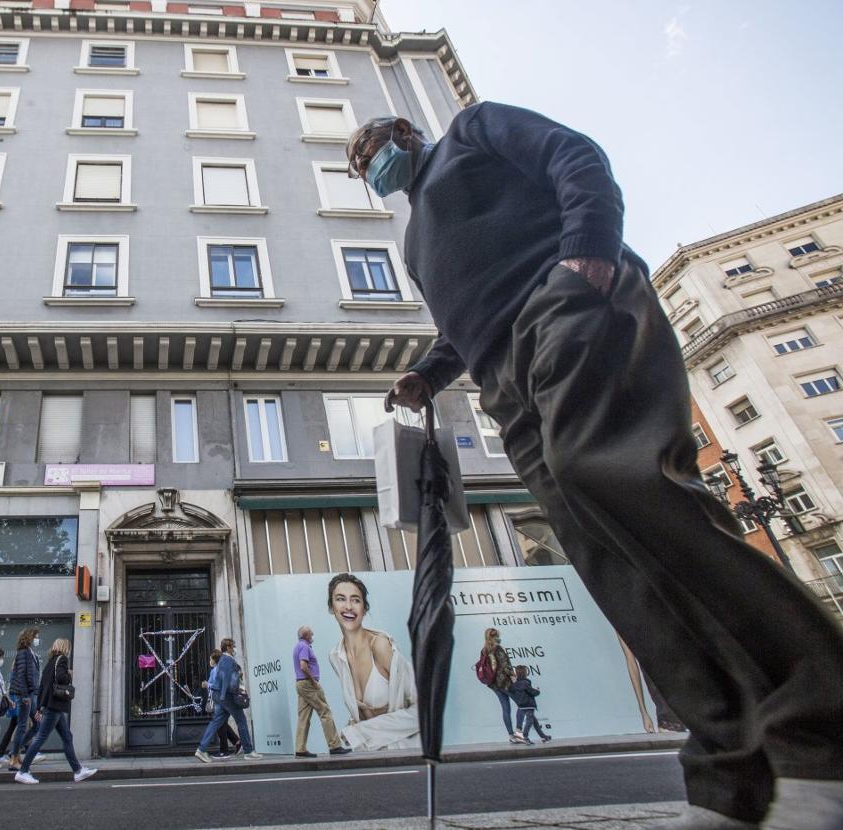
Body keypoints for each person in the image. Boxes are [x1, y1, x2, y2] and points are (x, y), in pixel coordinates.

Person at [355, 103, 843, 829]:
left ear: (404, 135)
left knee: (619, 479)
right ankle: (729, 777)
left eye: (369, 147)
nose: (368, 165)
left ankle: (820, 737)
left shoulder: (473, 131)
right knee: (608, 560)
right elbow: (461, 323)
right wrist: (427, 374)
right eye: (358, 166)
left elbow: (575, 157)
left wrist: (587, 255)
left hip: (568, 308)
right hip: (506, 382)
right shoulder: (416, 241)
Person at [326, 574, 417, 750]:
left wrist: (358, 732)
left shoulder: (381, 646)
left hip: (404, 752)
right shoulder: (336, 656)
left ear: (364, 608)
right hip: (369, 756)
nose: (348, 607)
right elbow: (362, 716)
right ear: (332, 607)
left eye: (356, 600)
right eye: (340, 599)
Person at [13, 639, 96, 784]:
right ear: (65, 648)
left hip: (52, 706)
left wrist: (39, 707)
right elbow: (61, 678)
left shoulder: (50, 663)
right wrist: (70, 674)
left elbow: (43, 687)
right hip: (55, 706)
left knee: (67, 737)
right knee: (40, 739)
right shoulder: (62, 659)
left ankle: (78, 771)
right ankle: (23, 771)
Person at [194, 638, 261, 764]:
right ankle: (248, 751)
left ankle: (201, 749)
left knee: (216, 722)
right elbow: (226, 679)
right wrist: (229, 693)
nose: (235, 648)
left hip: (220, 695)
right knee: (241, 721)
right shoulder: (227, 659)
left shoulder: (223, 660)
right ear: (228, 647)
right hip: (226, 696)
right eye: (233, 646)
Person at [293, 626, 349, 758]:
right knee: (325, 712)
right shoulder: (305, 647)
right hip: (308, 683)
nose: (313, 636)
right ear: (306, 635)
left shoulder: (297, 646)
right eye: (311, 634)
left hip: (300, 684)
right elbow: (303, 665)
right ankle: (334, 746)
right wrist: (314, 681)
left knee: (303, 717)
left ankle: (300, 749)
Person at [2, 626, 41, 769]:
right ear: (30, 637)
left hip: (31, 694)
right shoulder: (23, 652)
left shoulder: (30, 653)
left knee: (37, 724)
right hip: (26, 695)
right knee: (22, 726)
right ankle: (14, 759)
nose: (37, 639)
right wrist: (25, 695)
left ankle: (15, 752)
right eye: (36, 636)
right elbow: (22, 675)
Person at [480, 628, 526, 745]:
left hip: (494, 684)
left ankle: (511, 735)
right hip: (505, 682)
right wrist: (513, 677)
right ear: (497, 636)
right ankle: (518, 732)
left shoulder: (484, 650)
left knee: (506, 709)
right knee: (523, 704)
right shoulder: (498, 649)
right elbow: (506, 666)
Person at [202, 649, 239, 758]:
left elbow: (216, 686)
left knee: (220, 725)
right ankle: (236, 742)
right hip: (222, 699)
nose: (209, 661)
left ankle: (224, 750)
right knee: (222, 724)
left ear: (214, 660)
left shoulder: (216, 670)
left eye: (210, 659)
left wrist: (207, 685)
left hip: (218, 700)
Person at [510, 666, 550, 745]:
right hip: (529, 705)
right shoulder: (526, 683)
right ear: (525, 673)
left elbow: (512, 692)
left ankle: (543, 736)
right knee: (530, 721)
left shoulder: (515, 685)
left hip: (522, 706)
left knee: (534, 722)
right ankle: (525, 736)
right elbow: (532, 692)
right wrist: (537, 691)